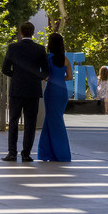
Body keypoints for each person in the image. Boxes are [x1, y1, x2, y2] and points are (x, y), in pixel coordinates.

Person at [1, 22, 49, 161]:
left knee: (14, 121)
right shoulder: (40, 49)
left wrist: (16, 76)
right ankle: (26, 153)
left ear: (21, 32)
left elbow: (5, 69)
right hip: (33, 90)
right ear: (32, 32)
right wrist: (35, 77)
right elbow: (46, 71)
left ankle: (12, 153)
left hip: (17, 89)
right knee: (30, 123)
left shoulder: (13, 47)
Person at [37, 31, 73, 162]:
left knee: (54, 121)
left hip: (51, 91)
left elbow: (43, 74)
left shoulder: (47, 58)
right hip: (62, 92)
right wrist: (59, 78)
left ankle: (59, 154)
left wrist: (50, 78)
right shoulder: (65, 59)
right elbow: (69, 77)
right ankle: (47, 153)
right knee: (52, 120)